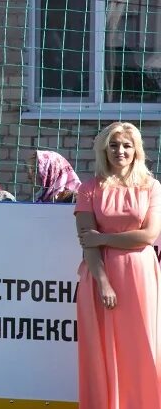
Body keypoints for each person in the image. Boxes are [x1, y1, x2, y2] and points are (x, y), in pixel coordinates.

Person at [75, 122, 161, 409]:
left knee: (142, 346)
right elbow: (87, 242)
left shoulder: (152, 187)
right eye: (114, 145)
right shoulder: (88, 189)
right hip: (101, 279)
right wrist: (103, 282)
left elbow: (149, 236)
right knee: (102, 349)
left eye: (126, 145)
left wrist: (105, 237)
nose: (120, 151)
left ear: (136, 150)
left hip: (141, 277)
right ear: (104, 149)